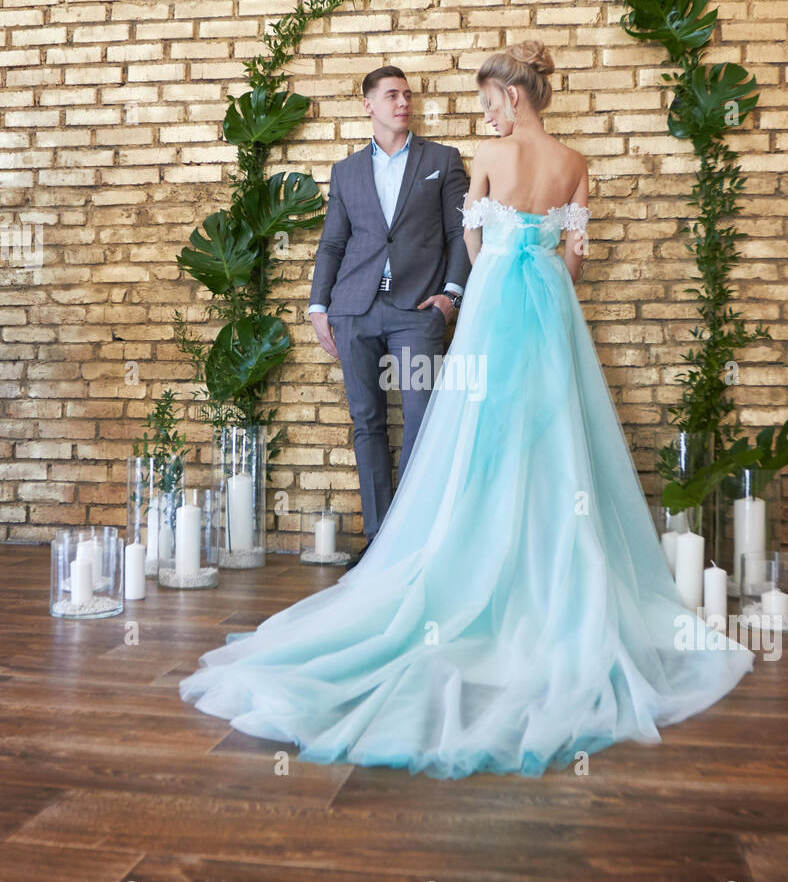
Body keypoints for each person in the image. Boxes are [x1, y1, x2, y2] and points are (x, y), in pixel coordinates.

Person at [179, 40, 754, 780]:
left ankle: (468, 556)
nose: (484, 110)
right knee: (557, 437)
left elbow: (475, 248)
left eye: (488, 100)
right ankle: (552, 570)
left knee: (478, 434)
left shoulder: (488, 156)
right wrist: (540, 258)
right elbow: (575, 262)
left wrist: (500, 263)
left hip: (493, 308)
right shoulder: (576, 164)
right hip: (551, 306)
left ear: (511, 98)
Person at [307, 65, 471, 558]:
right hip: (354, 311)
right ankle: (380, 542)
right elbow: (333, 242)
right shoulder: (346, 171)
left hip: (417, 312)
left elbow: (459, 233)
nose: (403, 103)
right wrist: (319, 305)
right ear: (369, 105)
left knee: (422, 422)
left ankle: (416, 541)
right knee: (367, 423)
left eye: (407, 95)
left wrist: (451, 295)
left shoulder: (442, 160)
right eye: (392, 95)